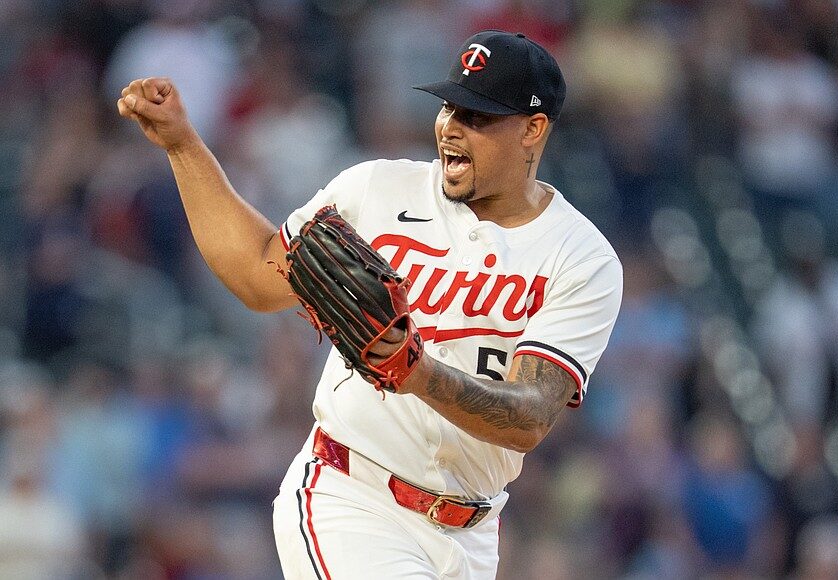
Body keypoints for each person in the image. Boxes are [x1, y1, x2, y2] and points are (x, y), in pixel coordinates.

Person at [117, 30, 622, 580]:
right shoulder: (377, 190)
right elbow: (257, 275)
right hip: (350, 498)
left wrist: (416, 372)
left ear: (532, 129)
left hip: (471, 535)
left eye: (478, 116)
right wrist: (183, 146)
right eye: (450, 107)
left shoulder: (581, 258)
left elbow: (529, 417)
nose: (451, 126)